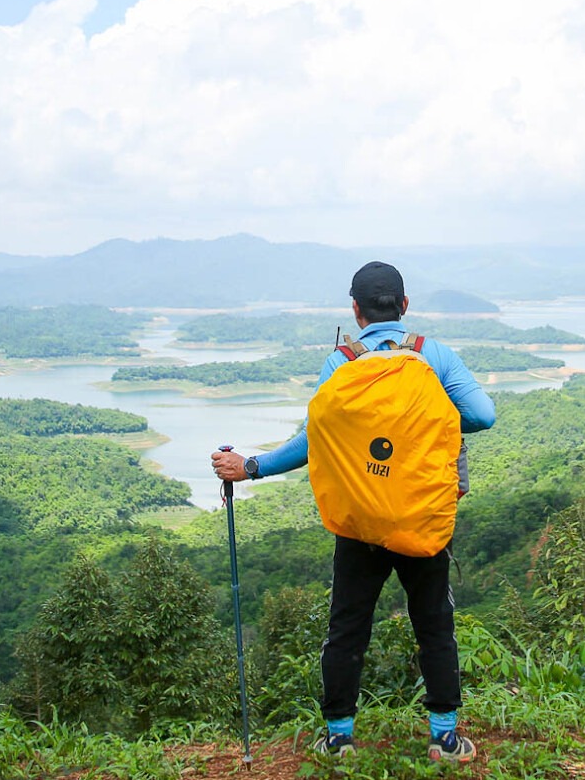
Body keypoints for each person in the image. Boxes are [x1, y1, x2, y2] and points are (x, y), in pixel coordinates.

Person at [212, 260, 496, 764]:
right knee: (434, 625)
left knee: (347, 628)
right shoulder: (436, 357)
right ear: (404, 307)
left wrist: (250, 467)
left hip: (361, 519)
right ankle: (445, 739)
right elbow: (482, 415)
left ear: (356, 311)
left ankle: (339, 739)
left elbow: (311, 440)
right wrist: (423, 428)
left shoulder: (340, 363)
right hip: (421, 516)